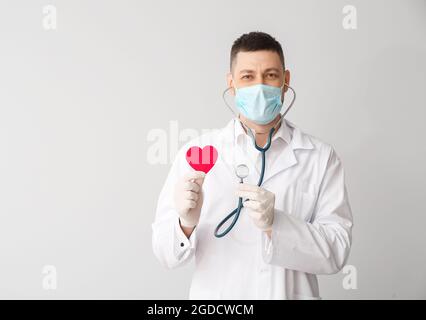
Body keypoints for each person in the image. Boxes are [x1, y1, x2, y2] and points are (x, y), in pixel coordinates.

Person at [151, 31, 353, 300]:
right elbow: (166, 255)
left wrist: (276, 224)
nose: (260, 86)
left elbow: (336, 253)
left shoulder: (320, 157)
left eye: (270, 75)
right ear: (231, 83)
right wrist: (185, 223)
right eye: (248, 76)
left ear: (285, 81)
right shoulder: (197, 153)